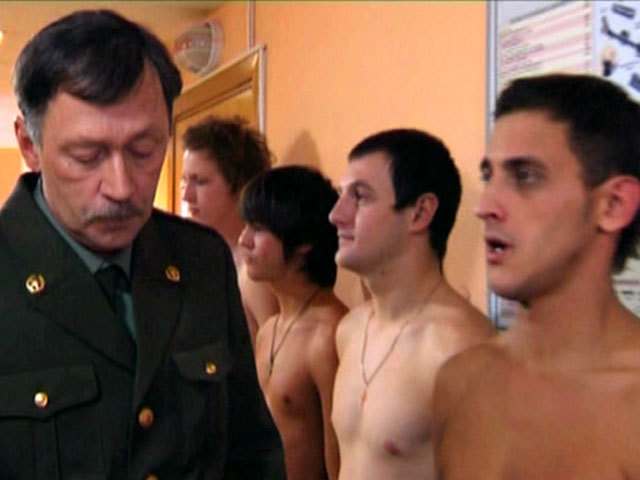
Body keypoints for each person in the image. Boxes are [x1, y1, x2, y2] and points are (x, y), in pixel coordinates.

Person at [2, 9, 284, 479]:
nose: (121, 187)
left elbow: (251, 454)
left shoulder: (201, 260)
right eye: (87, 155)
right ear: (30, 146)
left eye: (144, 150)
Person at [433, 74, 640, 479]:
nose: (484, 206)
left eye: (525, 176)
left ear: (613, 205)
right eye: (489, 176)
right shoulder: (459, 382)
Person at [328, 129, 494, 479]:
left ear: (420, 213)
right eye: (342, 195)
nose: (336, 215)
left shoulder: (462, 348)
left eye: (360, 197)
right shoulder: (350, 330)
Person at [238, 165, 348, 480]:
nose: (244, 240)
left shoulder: (330, 334)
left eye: (259, 228)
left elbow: (340, 464)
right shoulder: (269, 329)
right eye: (247, 226)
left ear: (303, 242)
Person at [181, 116, 278, 344]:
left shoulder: (258, 270)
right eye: (185, 181)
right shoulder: (197, 259)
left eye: (200, 181)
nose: (187, 195)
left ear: (239, 185)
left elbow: (275, 353)